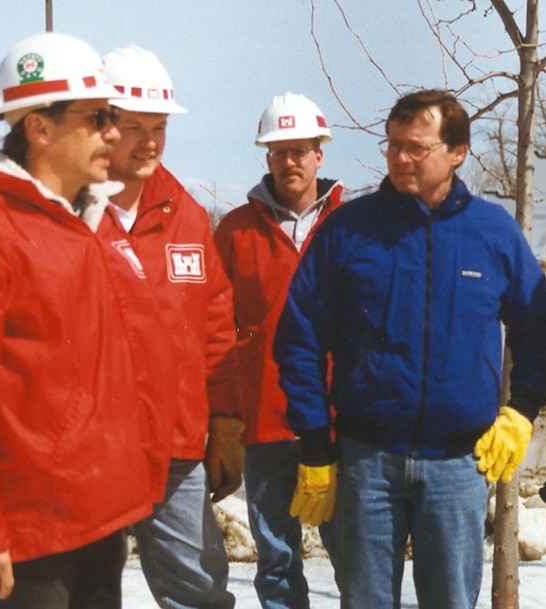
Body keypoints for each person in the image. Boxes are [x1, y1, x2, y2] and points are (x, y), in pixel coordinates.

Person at [272, 89, 546, 609]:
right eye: (393, 145)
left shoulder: (491, 232)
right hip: (366, 462)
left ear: (457, 152)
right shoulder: (349, 231)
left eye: (416, 147)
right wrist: (315, 441)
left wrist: (521, 411)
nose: (400, 158)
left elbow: (539, 327)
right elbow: (299, 338)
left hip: (458, 464)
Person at [0, 32, 169, 607]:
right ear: (37, 128)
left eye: (112, 116)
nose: (114, 133)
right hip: (27, 538)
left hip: (99, 518)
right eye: (97, 117)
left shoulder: (89, 219)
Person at [101, 45, 244, 609]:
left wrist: (227, 422)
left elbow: (214, 325)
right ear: (99, 125)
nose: (150, 141)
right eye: (133, 126)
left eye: (158, 127)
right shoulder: (68, 209)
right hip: (91, 451)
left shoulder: (184, 211)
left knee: (200, 593)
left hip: (174, 450)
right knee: (81, 589)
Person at [213, 92, 343, 609]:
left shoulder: (349, 225)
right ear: (266, 157)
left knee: (352, 553)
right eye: (279, 151)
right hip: (264, 421)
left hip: (338, 421)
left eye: (300, 150)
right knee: (277, 560)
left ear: (319, 154)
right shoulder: (234, 231)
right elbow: (215, 326)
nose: (290, 161)